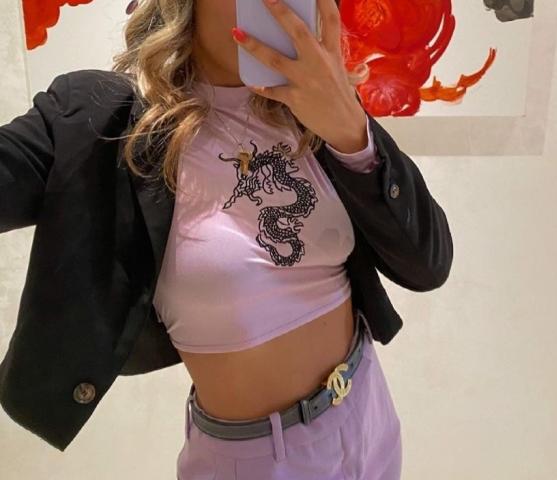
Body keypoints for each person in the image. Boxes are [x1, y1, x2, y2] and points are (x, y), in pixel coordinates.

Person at [0, 0, 453, 478]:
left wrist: (352, 134)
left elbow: (428, 264)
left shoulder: (312, 104)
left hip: (367, 414)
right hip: (256, 460)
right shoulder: (105, 121)